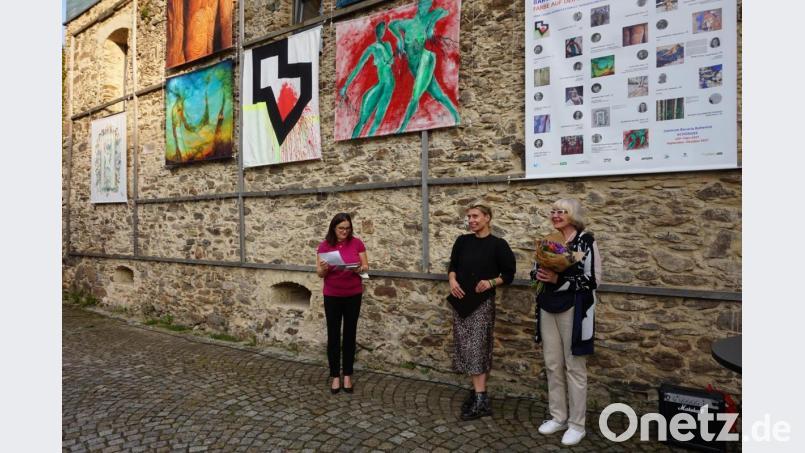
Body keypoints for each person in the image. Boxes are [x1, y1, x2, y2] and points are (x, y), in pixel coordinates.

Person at [533, 199, 601, 446]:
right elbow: (535, 270)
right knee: (552, 364)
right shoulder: (549, 239)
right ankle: (558, 417)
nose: (556, 215)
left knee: (574, 367)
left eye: (562, 211)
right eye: (553, 211)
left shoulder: (586, 241)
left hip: (574, 309)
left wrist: (558, 280)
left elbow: (592, 280)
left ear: (573, 215)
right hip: (548, 307)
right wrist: (539, 275)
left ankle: (577, 424)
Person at [448, 205, 516, 420]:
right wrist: (451, 280)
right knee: (466, 348)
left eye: (475, 216)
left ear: (487, 218)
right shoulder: (462, 241)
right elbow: (453, 265)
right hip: (460, 302)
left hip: (482, 304)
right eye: (469, 217)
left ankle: (481, 399)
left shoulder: (498, 245)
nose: (471, 220)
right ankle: (479, 394)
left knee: (478, 348)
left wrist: (490, 282)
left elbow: (509, 274)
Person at [316, 213, 369, 394]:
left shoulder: (357, 243)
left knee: (349, 334)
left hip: (353, 294)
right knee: (333, 335)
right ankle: (335, 376)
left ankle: (347, 374)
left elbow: (366, 269)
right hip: (332, 295)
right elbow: (320, 274)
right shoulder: (324, 245)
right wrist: (322, 269)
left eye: (347, 228)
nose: (344, 231)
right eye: (341, 228)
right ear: (333, 228)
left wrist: (359, 269)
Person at [389, 0, 461, 133]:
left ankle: (403, 127)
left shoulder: (427, 20)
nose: (426, 9)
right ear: (418, 6)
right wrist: (399, 38)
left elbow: (444, 11)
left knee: (415, 95)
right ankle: (455, 114)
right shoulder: (408, 24)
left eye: (428, 7)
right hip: (414, 67)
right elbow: (392, 25)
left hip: (425, 61)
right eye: (424, 6)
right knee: (437, 93)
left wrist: (431, 23)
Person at [339, 21, 395, 139]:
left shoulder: (387, 45)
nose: (381, 31)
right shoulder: (371, 48)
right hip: (381, 83)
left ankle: (370, 140)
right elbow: (358, 67)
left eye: (383, 29)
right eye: (379, 29)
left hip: (389, 83)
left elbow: (390, 62)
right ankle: (354, 140)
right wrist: (346, 85)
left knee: (378, 117)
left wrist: (382, 48)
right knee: (363, 117)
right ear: (376, 32)